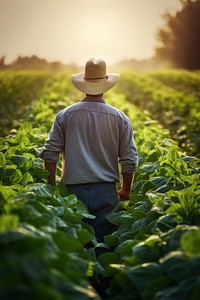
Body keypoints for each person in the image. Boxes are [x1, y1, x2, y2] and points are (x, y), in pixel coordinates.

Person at [40, 58, 138, 242]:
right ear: (106, 86)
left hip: (72, 192)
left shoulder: (65, 115)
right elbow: (129, 158)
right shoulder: (120, 118)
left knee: (76, 247)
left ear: (83, 85)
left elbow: (50, 153)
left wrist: (51, 186)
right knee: (103, 245)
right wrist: (126, 190)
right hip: (106, 191)